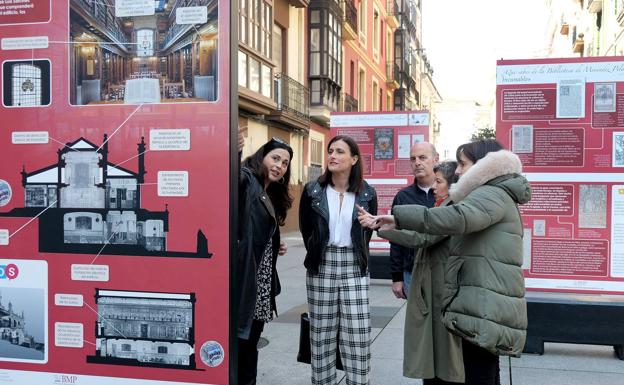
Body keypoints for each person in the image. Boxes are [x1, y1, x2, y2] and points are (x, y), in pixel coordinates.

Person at [359, 139, 531, 385]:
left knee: (479, 371)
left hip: (484, 300)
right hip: (479, 297)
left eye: (463, 164)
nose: (458, 171)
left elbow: (456, 218)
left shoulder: (491, 194)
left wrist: (398, 218)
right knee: (480, 368)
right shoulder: (492, 193)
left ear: (484, 165)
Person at [299, 135, 378, 385]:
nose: (332, 155)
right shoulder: (313, 190)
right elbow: (306, 229)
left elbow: (367, 231)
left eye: (340, 152)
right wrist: (316, 253)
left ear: (353, 159)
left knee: (357, 332)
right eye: (331, 151)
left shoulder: (367, 192)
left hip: (354, 264)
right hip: (322, 263)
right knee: (322, 333)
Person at [377, 161, 464, 384]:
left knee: (439, 349)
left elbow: (422, 237)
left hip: (439, 286)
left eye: (439, 181)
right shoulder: (440, 204)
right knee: (430, 347)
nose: (434, 186)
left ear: (453, 185)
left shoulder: (451, 208)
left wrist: (387, 229)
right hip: (428, 282)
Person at [237, 136, 293, 385]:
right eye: (275, 158)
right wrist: (233, 152)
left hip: (260, 285)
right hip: (245, 282)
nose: (279, 165)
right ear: (262, 157)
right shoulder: (248, 179)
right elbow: (233, 180)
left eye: (285, 162)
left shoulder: (269, 193)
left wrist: (273, 241)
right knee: (243, 347)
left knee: (250, 347)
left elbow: (257, 228)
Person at [389, 142, 437, 299]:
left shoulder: (450, 192)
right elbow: (396, 239)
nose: (417, 162)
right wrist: (397, 277)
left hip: (443, 270)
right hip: (412, 273)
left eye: (422, 157)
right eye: (413, 159)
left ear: (435, 159)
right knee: (416, 322)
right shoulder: (403, 197)